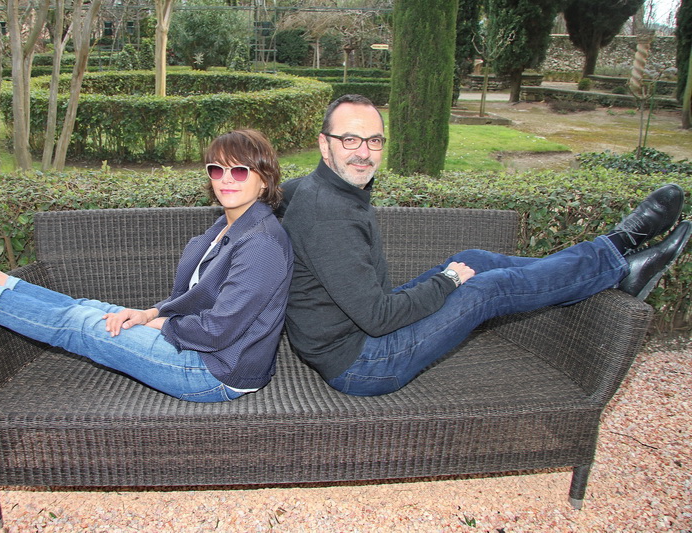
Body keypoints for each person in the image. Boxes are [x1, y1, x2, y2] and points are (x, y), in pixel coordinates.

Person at [279, 94, 691, 397]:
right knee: (484, 287)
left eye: (374, 141)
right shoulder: (328, 215)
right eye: (350, 140)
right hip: (364, 363)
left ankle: (605, 271)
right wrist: (448, 281)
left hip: (359, 332)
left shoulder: (312, 187)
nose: (364, 154)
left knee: (475, 260)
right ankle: (619, 250)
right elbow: (379, 318)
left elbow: (272, 198)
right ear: (324, 144)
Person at [0, 129, 294, 403]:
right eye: (217, 170)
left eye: (240, 171)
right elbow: (197, 299)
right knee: (88, 308)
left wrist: (158, 321)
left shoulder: (260, 242)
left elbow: (218, 330)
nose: (226, 180)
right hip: (202, 351)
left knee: (84, 325)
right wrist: (149, 312)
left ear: (264, 180)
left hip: (214, 372)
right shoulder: (231, 223)